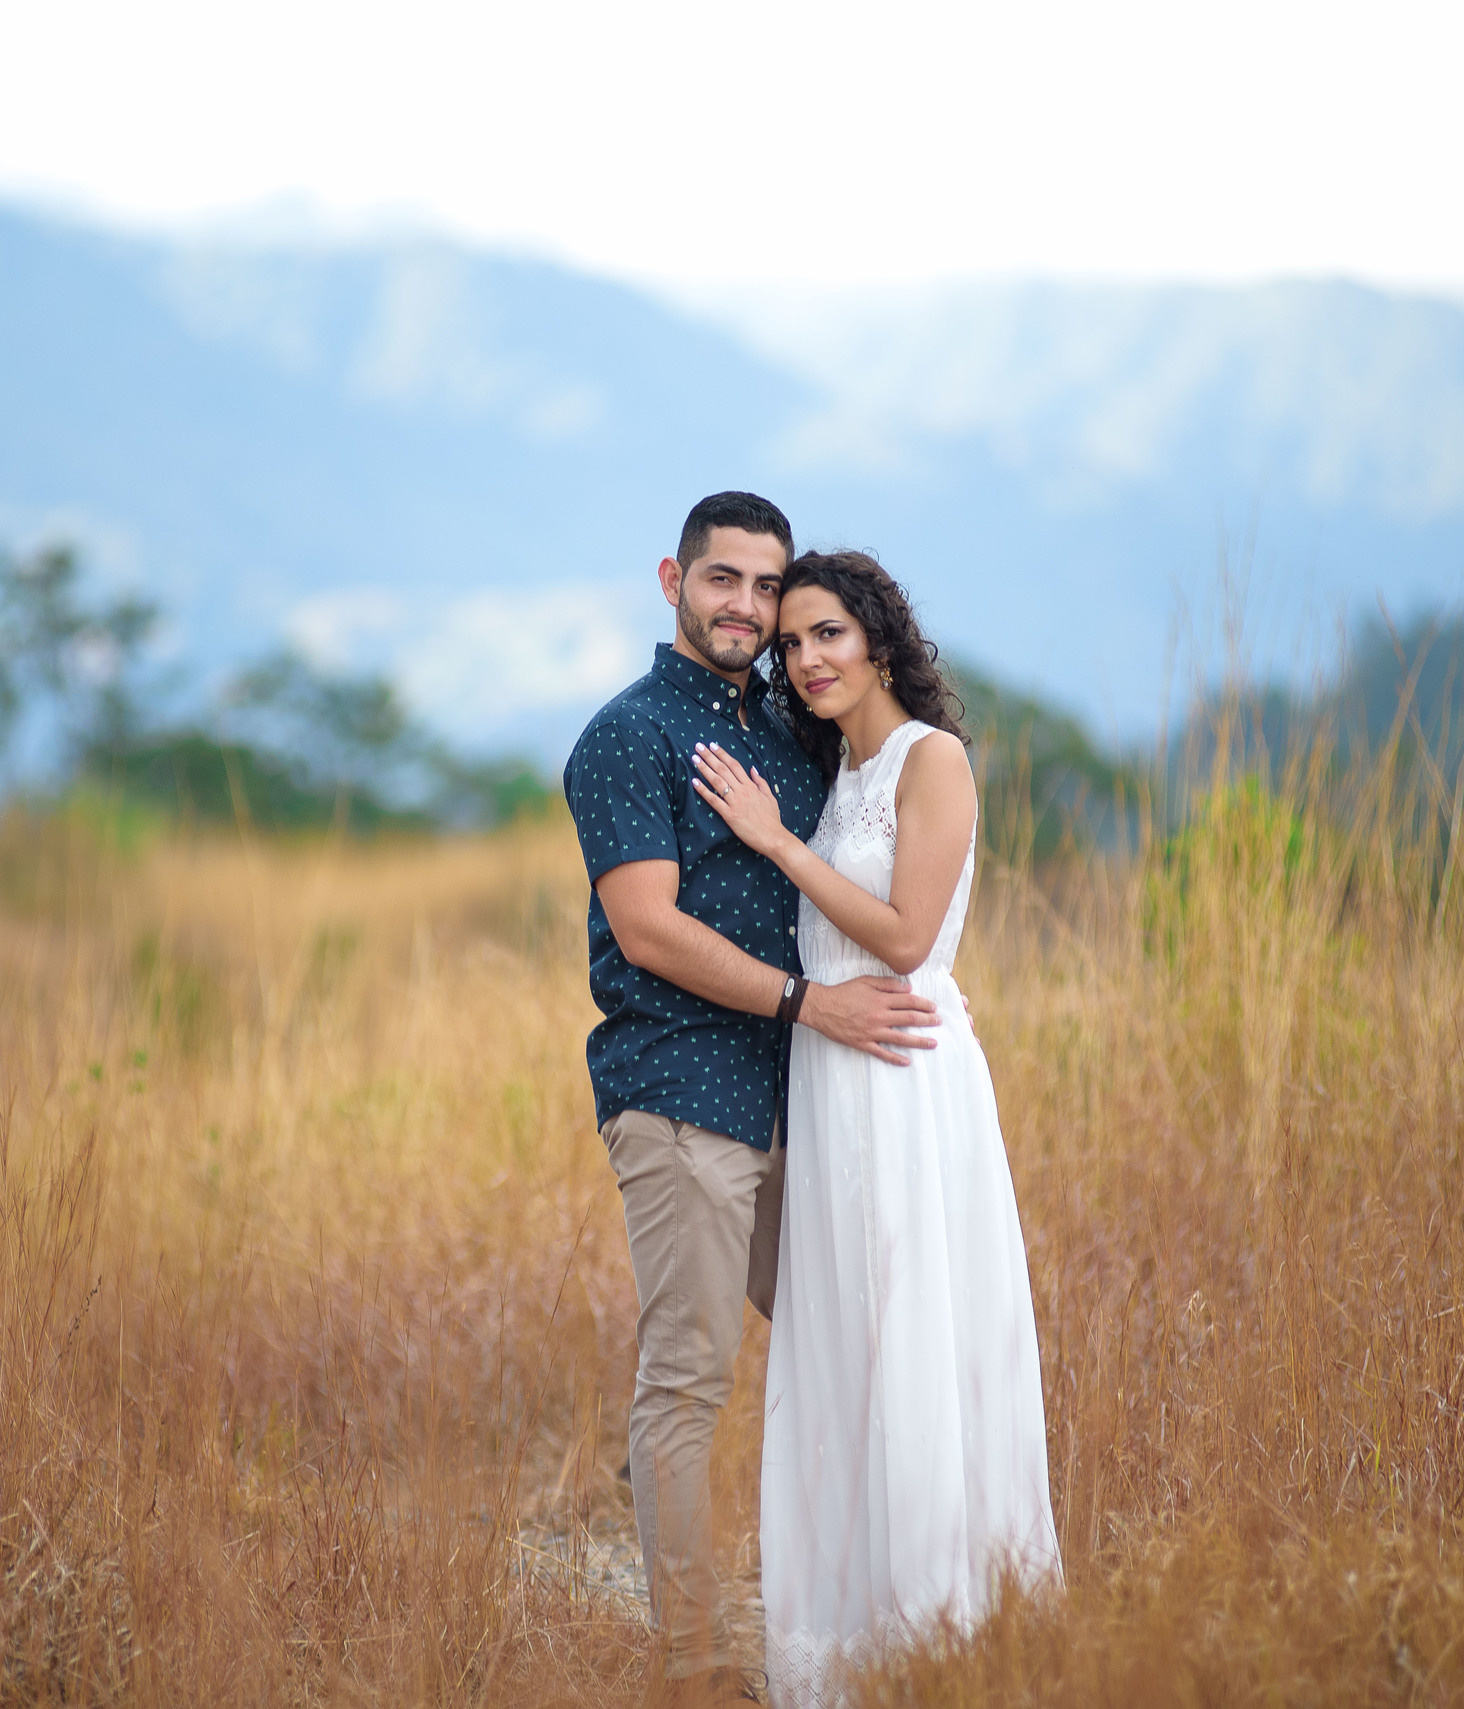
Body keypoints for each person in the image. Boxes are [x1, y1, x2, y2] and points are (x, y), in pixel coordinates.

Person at [563, 496, 948, 1705]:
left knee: (851, 1340)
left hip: (812, 1102)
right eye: (719, 577)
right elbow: (648, 928)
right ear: (673, 577)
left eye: (762, 586)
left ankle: (889, 1617)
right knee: (688, 1376)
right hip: (683, 1091)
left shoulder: (788, 722)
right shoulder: (625, 738)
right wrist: (808, 1004)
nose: (742, 603)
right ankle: (694, 1666)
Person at [689, 549, 1061, 1707]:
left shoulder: (928, 758)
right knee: (838, 1335)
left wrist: (776, 842)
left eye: (827, 635)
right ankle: (841, 1645)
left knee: (914, 1329)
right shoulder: (834, 769)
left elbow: (905, 938)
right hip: (830, 1075)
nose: (804, 658)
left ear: (881, 641)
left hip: (903, 1074)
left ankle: (941, 1628)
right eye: (792, 642)